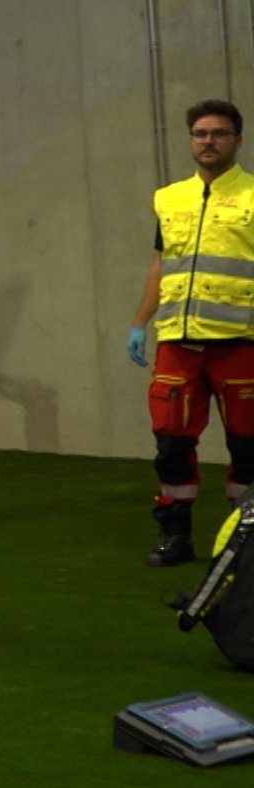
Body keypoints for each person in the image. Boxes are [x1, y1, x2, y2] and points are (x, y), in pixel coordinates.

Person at [129, 99, 254, 567]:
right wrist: (140, 323)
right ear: (190, 140)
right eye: (200, 133)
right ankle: (175, 536)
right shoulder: (169, 198)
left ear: (237, 141)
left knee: (249, 446)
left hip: (241, 344)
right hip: (179, 345)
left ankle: (243, 541)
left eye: (219, 133)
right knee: (172, 444)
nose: (208, 141)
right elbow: (161, 264)